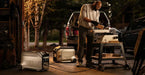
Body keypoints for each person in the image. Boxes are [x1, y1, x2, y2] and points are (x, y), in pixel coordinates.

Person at [76, 0, 103, 67]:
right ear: (94, 4)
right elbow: (84, 17)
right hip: (83, 27)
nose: (97, 9)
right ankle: (79, 61)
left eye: (99, 8)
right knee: (82, 44)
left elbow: (96, 22)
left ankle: (89, 61)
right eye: (97, 7)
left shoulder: (97, 12)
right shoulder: (85, 6)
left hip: (91, 29)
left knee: (90, 45)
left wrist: (100, 26)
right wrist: (92, 21)